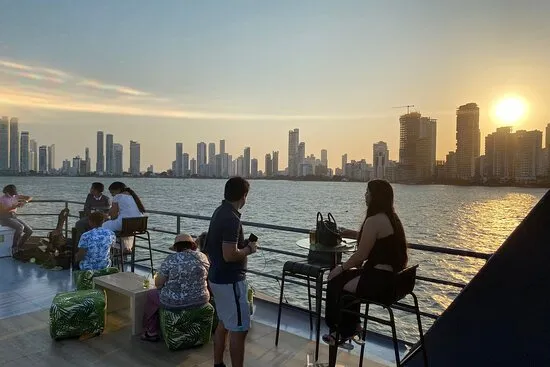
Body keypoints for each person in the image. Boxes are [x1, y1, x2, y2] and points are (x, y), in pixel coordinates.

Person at [322, 179, 408, 346]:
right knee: (346, 281)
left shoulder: (374, 220)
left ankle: (336, 331)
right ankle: (353, 326)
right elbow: (376, 240)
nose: (365, 196)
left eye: (367, 192)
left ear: (375, 196)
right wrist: (351, 233)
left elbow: (360, 256)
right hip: (392, 279)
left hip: (379, 282)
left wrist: (340, 268)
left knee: (335, 281)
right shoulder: (391, 218)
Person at [204, 177, 258, 367]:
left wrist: (241, 246)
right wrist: (249, 249)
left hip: (217, 278)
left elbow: (219, 247)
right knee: (240, 329)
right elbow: (229, 254)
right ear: (244, 196)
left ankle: (218, 363)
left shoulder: (220, 211)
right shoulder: (232, 218)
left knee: (224, 323)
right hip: (230, 282)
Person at [141, 233, 210, 342]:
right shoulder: (202, 256)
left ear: (176, 247)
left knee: (151, 295)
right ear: (192, 246)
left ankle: (151, 332)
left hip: (175, 302)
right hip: (201, 299)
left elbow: (158, 283)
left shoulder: (171, 259)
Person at [102, 182, 145, 251]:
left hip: (125, 224)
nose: (112, 195)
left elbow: (113, 216)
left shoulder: (118, 196)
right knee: (118, 226)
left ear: (118, 190)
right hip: (140, 225)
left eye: (112, 192)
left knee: (103, 226)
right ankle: (124, 247)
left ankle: (114, 246)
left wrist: (107, 217)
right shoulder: (133, 196)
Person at [0, 184, 33, 254]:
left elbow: (29, 197)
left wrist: (25, 201)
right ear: (6, 192)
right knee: (20, 227)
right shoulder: (2, 199)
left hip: (14, 216)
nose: (13, 195)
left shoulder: (15, 196)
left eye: (13, 194)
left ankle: (19, 247)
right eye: (11, 194)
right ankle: (14, 248)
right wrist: (13, 207)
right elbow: (2, 212)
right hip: (4, 218)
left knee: (29, 231)